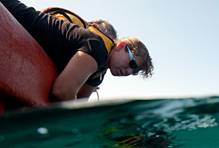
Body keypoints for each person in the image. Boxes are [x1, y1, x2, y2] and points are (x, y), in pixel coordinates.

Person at [0, 0, 153, 101]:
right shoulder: (97, 48)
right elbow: (62, 90)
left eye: (134, 72)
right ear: (121, 46)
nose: (128, 72)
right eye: (132, 64)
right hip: (10, 11)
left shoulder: (98, 74)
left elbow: (80, 103)